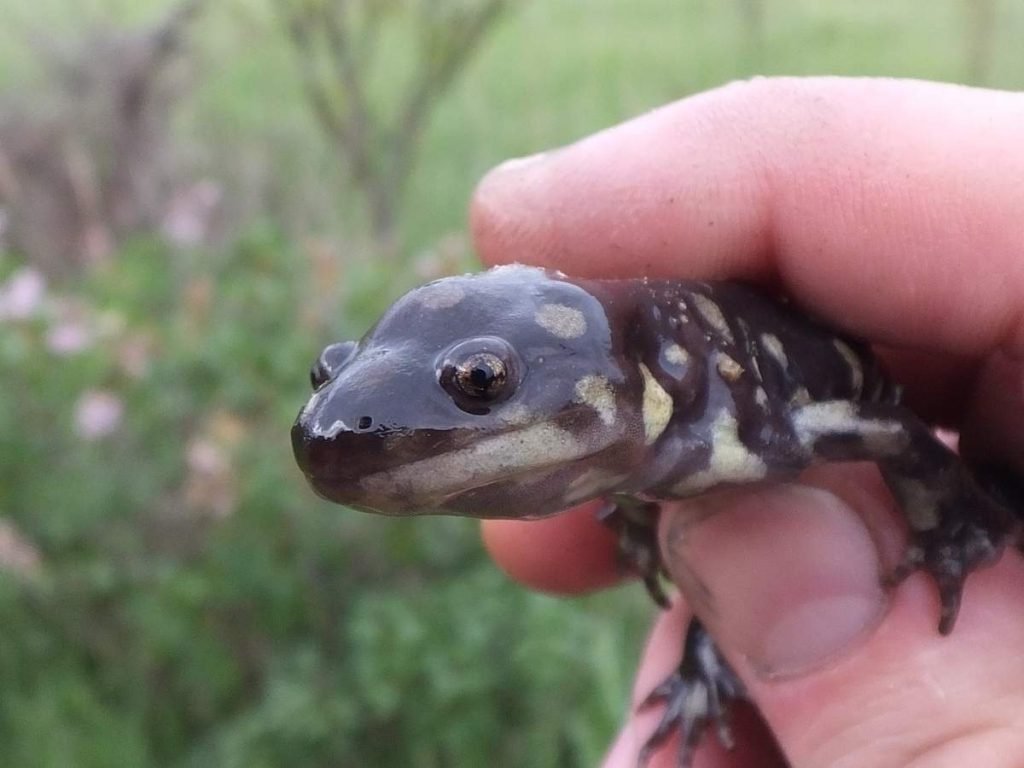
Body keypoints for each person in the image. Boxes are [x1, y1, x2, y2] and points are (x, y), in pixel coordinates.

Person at [469, 77, 1024, 767]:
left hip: (819, 408)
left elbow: (890, 431)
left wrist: (952, 523)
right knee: (717, 536)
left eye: (480, 381)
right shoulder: (638, 446)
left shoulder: (741, 424)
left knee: (732, 533)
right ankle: (708, 674)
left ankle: (972, 521)